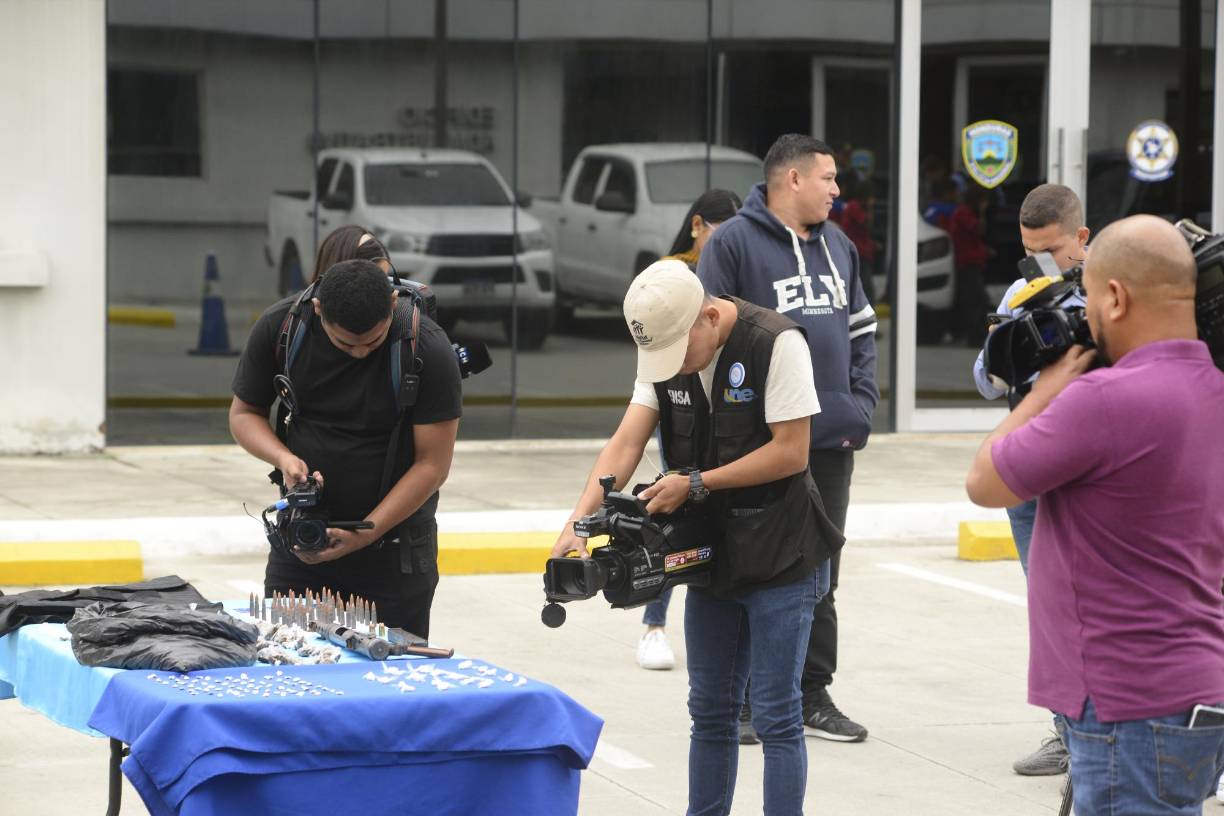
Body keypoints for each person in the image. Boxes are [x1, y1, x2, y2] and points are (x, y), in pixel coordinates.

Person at [551, 260, 840, 816]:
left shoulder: (776, 343)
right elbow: (625, 442)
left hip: (783, 552)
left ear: (709, 316)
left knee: (777, 715)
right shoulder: (666, 345)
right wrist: (576, 524)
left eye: (681, 353)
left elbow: (792, 451)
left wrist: (698, 482)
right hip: (712, 556)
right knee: (709, 711)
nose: (673, 367)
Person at [965, 214, 1224, 815]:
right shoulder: (1212, 389)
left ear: (1114, 295)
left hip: (1122, 703)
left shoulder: (1103, 400)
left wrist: (1044, 392)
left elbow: (985, 481)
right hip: (1194, 691)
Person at [698, 133, 878, 744]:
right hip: (758, 446)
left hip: (828, 442)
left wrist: (859, 404)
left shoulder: (841, 247)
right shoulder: (731, 244)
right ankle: (746, 698)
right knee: (753, 564)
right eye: (828, 178)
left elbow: (861, 332)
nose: (836, 189)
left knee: (820, 572)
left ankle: (811, 693)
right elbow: (707, 338)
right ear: (792, 180)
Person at [229, 252, 462, 638]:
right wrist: (284, 458)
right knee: (292, 669)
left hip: (394, 552)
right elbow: (243, 414)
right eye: (345, 344)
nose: (360, 353)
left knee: (388, 682)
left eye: (372, 342)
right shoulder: (282, 327)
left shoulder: (426, 348)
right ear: (319, 309)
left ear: (391, 304)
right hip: (301, 544)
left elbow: (432, 466)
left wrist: (368, 532)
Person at [971, 183, 1089, 778]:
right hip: (1029, 467)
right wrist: (1015, 329)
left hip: (1089, 471)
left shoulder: (1113, 286)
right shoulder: (1023, 289)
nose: (1043, 263)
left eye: (1054, 251)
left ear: (1083, 239)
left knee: (1092, 606)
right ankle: (1066, 732)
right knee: (1047, 608)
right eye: (1030, 252)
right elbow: (987, 381)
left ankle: (1099, 731)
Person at [637, 188, 743, 673]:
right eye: (724, 227)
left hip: (722, 402)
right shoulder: (672, 274)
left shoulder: (729, 278)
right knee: (671, 503)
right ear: (699, 224)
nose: (731, 237)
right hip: (678, 401)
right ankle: (653, 624)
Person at [947, 185, 993, 345]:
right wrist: (982, 212)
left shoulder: (962, 212)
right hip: (968, 262)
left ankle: (964, 331)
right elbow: (979, 229)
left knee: (972, 298)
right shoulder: (965, 213)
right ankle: (975, 335)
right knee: (975, 300)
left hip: (971, 260)